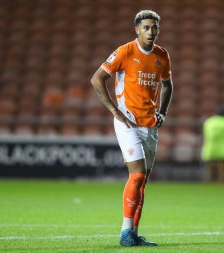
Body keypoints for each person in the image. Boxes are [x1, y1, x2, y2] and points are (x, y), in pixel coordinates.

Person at [90, 10, 173, 247]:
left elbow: (168, 86)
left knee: (143, 181)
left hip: (150, 125)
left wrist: (162, 112)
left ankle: (134, 233)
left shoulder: (162, 55)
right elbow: (97, 79)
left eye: (154, 27)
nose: (150, 31)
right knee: (136, 175)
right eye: (146, 27)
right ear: (137, 29)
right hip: (128, 122)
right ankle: (125, 232)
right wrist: (114, 110)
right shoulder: (125, 51)